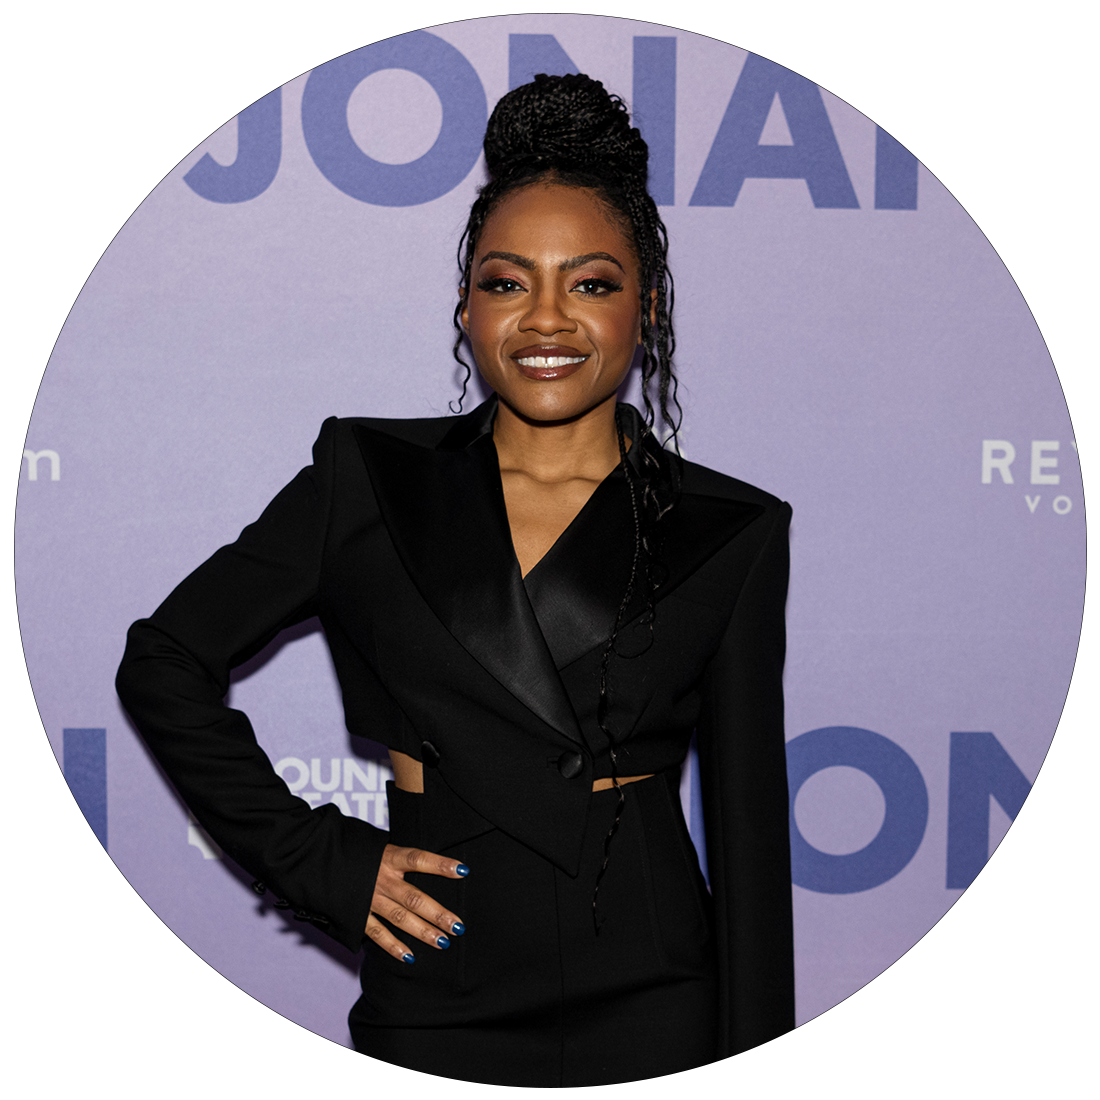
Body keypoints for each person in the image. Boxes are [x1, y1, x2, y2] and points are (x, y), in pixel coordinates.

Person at [116, 73, 794, 1086]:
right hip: (438, 977)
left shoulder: (730, 528)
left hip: (652, 989)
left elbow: (746, 844)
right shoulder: (367, 479)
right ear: (465, 307)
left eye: (592, 282)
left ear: (644, 308)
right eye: (507, 281)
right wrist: (324, 864)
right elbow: (164, 660)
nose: (547, 319)